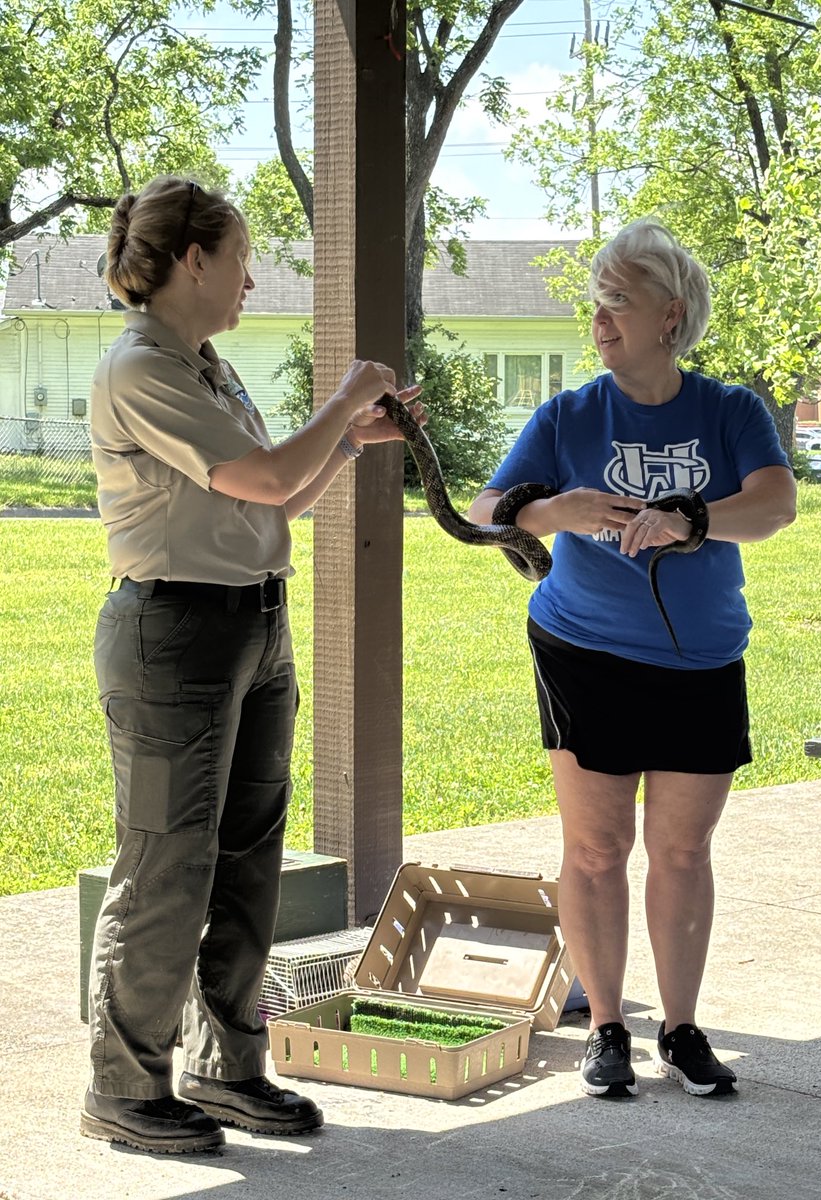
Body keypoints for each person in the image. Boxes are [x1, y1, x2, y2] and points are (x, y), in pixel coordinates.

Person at [81, 175, 422, 1154]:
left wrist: (348, 441)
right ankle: (124, 1088)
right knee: (166, 863)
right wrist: (345, 396)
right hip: (173, 636)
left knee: (248, 860)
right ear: (194, 261)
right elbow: (266, 477)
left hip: (254, 628)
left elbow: (273, 500)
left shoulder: (207, 370)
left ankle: (226, 1069)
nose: (250, 278)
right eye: (239, 258)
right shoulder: (138, 369)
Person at [468, 217, 796, 1100]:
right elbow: (487, 508)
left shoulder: (730, 411)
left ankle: (681, 1030)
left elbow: (775, 505)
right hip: (585, 651)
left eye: (618, 300)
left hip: (701, 659)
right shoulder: (570, 414)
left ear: (670, 315)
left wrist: (695, 519)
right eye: (596, 302)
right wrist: (555, 510)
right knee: (597, 847)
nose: (600, 319)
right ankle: (606, 1026)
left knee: (682, 851)